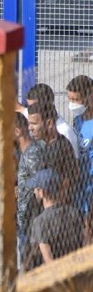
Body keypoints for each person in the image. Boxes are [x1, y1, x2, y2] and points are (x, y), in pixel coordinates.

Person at [17, 102, 78, 260]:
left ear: (49, 123)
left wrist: (50, 214)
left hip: (53, 224)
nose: (30, 128)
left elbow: (66, 183)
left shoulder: (61, 147)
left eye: (34, 123)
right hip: (40, 219)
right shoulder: (43, 146)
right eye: (29, 123)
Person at [25, 169, 83, 270]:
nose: (34, 191)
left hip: (57, 274)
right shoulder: (73, 212)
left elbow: (49, 261)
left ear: (42, 193)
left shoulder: (40, 221)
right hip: (75, 268)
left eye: (36, 189)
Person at [66, 75, 93, 240]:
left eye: (75, 99)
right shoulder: (78, 120)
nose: (72, 104)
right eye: (69, 99)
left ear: (90, 95)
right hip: (79, 187)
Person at [27, 83, 82, 158]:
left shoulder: (64, 131)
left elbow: (75, 160)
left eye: (34, 106)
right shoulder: (37, 127)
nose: (31, 110)